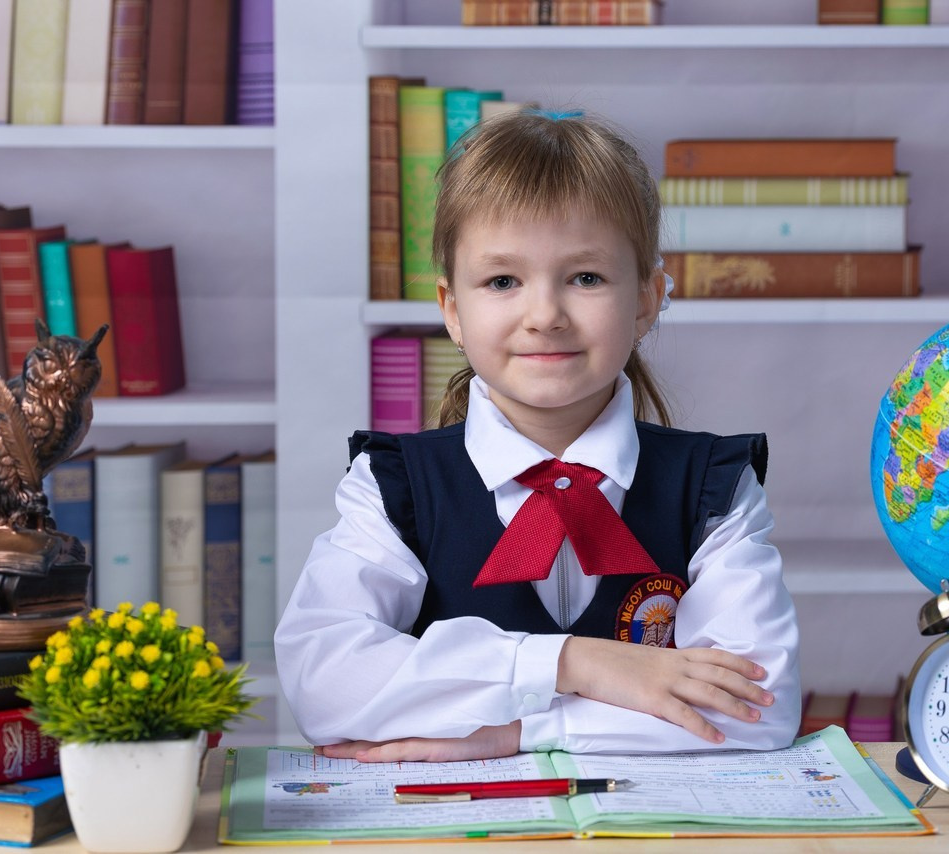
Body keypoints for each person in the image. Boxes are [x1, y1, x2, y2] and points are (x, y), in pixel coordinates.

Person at [274, 109, 800, 762]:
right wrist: (574, 665)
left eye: (585, 278)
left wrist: (518, 732)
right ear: (452, 311)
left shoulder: (715, 487)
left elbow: (758, 708)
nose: (544, 316)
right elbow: (322, 685)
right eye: (502, 281)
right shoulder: (392, 488)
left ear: (645, 298)